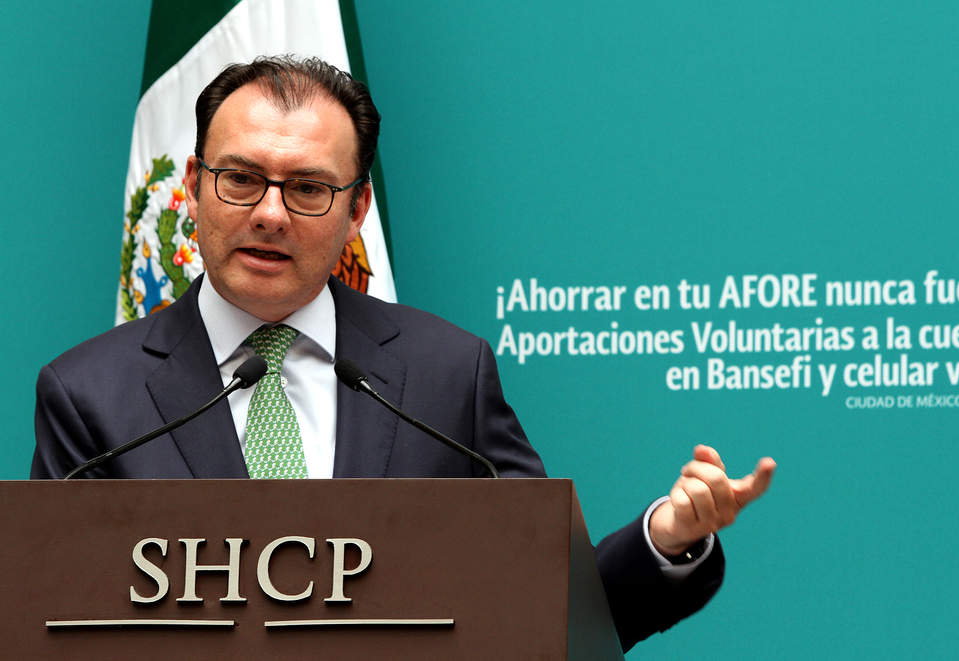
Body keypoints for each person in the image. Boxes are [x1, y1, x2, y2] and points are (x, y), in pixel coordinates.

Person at [32, 56, 774, 651]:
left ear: (357, 209)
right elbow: (59, 625)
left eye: (308, 189)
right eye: (242, 179)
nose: (269, 213)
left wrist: (663, 540)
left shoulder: (445, 373)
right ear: (195, 186)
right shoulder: (91, 395)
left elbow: (550, 604)